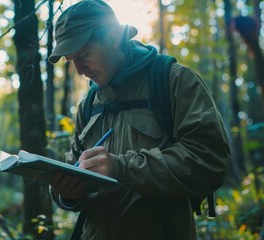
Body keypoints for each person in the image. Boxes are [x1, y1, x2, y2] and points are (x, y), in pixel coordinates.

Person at [47, 0, 231, 239]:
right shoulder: (89, 105)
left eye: (84, 55)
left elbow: (210, 160)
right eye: (72, 60)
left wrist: (122, 167)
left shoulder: (173, 82)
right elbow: (75, 173)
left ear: (112, 38)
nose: (80, 70)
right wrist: (67, 194)